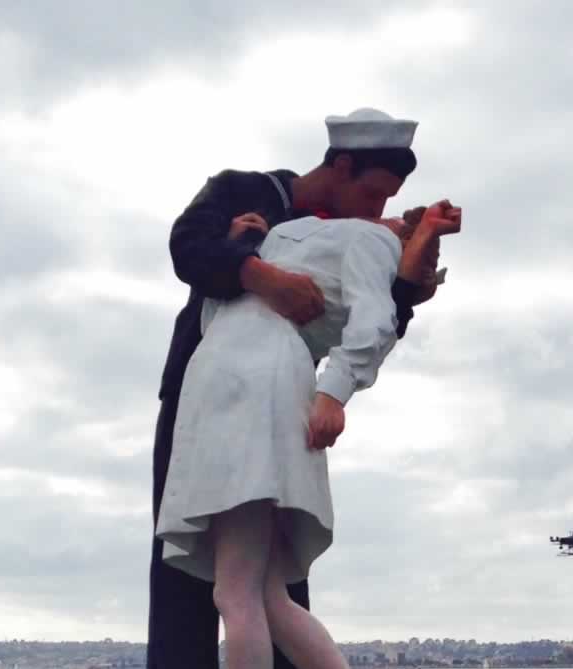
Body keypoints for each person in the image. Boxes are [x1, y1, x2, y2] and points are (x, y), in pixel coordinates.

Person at [148, 108, 442, 669]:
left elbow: (380, 317)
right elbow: (189, 247)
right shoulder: (245, 192)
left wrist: (408, 271)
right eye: (374, 194)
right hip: (213, 395)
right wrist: (261, 274)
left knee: (235, 582)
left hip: (246, 392)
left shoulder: (351, 236)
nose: (377, 211)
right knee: (251, 588)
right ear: (343, 166)